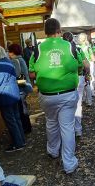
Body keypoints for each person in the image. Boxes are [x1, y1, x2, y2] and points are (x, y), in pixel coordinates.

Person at [29, 18, 81, 174]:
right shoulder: (70, 46)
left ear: (45, 32)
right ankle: (69, 163)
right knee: (67, 127)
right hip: (68, 94)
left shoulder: (37, 49)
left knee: (51, 122)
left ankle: (53, 151)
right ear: (59, 31)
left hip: (47, 95)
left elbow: (31, 73)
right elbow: (80, 64)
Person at [0, 45, 25, 153]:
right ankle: (21, 140)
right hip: (14, 93)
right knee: (16, 118)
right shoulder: (8, 61)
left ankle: (18, 144)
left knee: (10, 120)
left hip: (6, 96)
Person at [63, 31, 90, 137]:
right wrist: (87, 74)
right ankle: (78, 130)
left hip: (66, 79)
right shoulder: (77, 49)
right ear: (72, 39)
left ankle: (68, 129)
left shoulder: (62, 51)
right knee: (78, 104)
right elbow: (86, 65)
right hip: (79, 77)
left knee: (66, 105)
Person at [8, 44, 33, 134]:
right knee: (24, 107)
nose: (8, 53)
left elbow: (17, 74)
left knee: (22, 109)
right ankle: (27, 127)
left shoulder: (15, 60)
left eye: (9, 51)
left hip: (21, 87)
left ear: (12, 52)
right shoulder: (20, 59)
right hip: (25, 85)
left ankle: (26, 128)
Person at [78, 33, 95, 106]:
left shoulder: (78, 48)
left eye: (79, 38)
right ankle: (91, 96)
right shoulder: (88, 47)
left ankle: (84, 98)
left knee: (83, 82)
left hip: (82, 66)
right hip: (89, 65)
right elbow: (93, 58)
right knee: (89, 81)